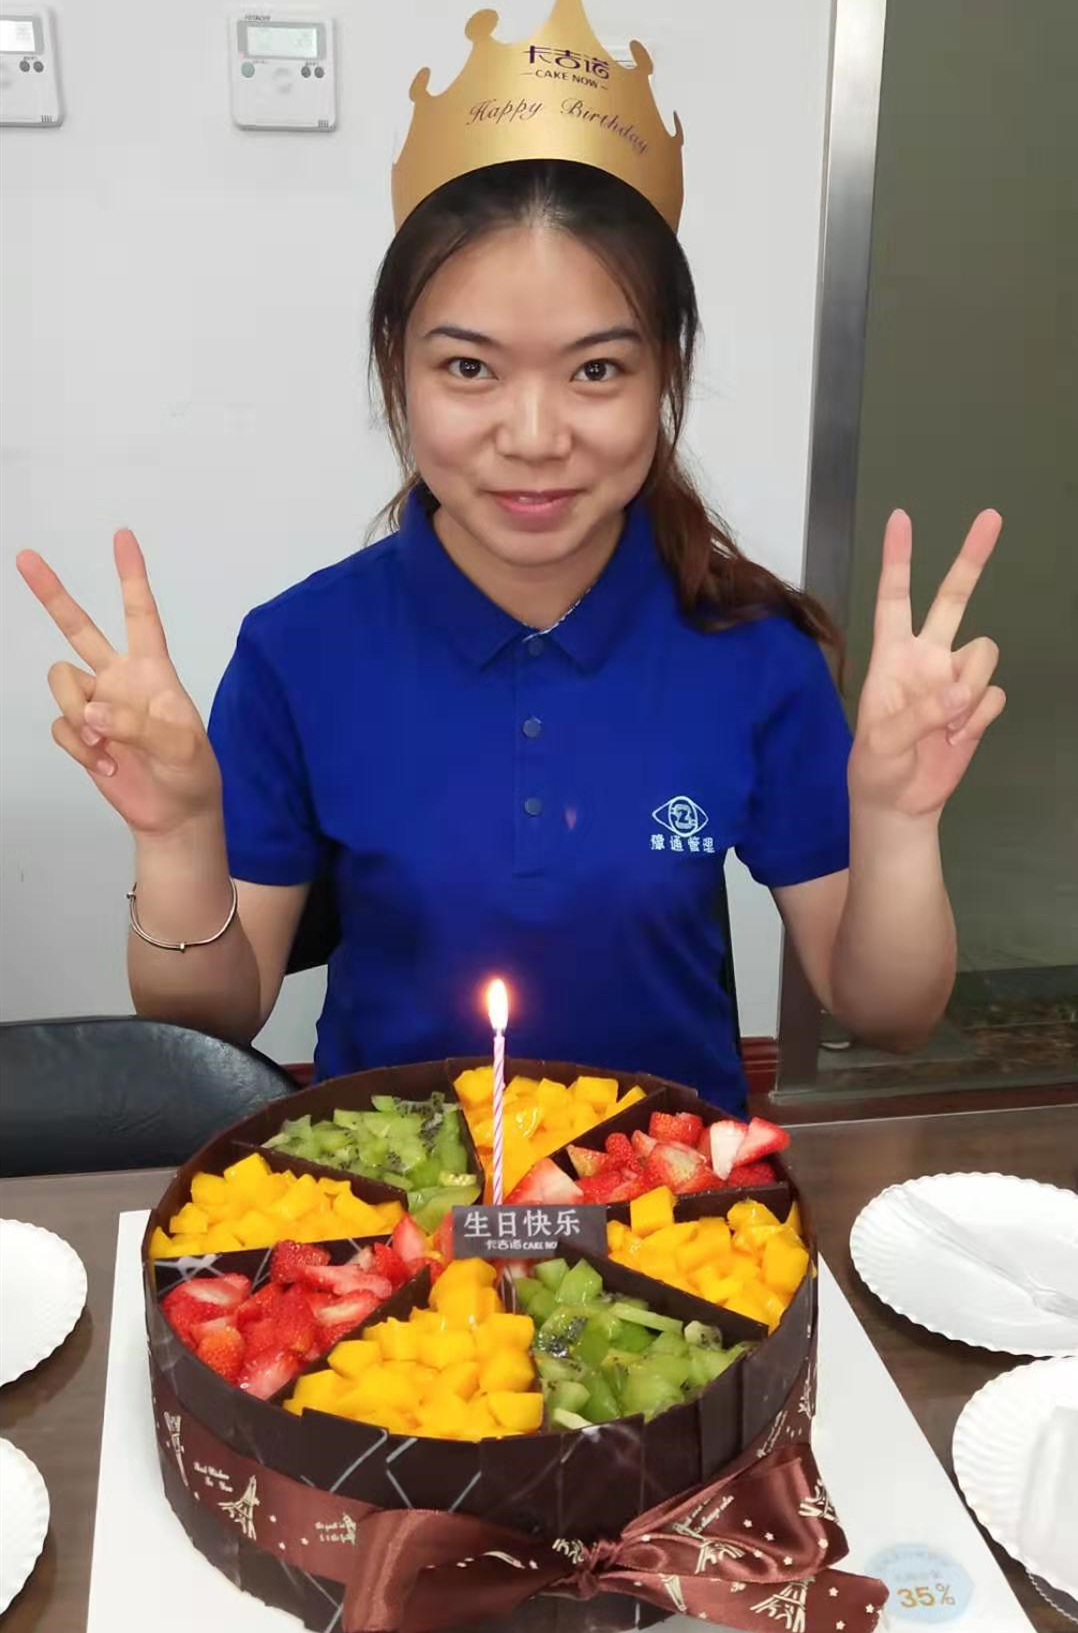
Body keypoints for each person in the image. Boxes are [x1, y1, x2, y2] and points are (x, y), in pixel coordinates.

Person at [15, 1, 1004, 1113]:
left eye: (596, 371)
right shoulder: (301, 651)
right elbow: (213, 1018)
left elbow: (888, 1013)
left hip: (675, 1200)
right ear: (396, 371)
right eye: (470, 369)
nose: (533, 437)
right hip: (386, 1198)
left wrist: (899, 824)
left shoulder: (750, 652)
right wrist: (179, 837)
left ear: (666, 376)